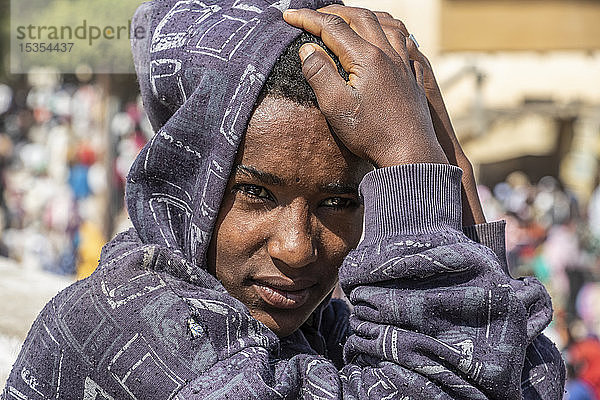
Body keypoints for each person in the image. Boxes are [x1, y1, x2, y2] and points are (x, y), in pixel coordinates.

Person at [3, 0, 565, 398]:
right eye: (255, 193)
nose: (297, 250)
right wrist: (413, 158)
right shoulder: (125, 323)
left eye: (339, 202)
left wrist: (451, 183)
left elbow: (519, 378)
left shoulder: (324, 335)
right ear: (186, 181)